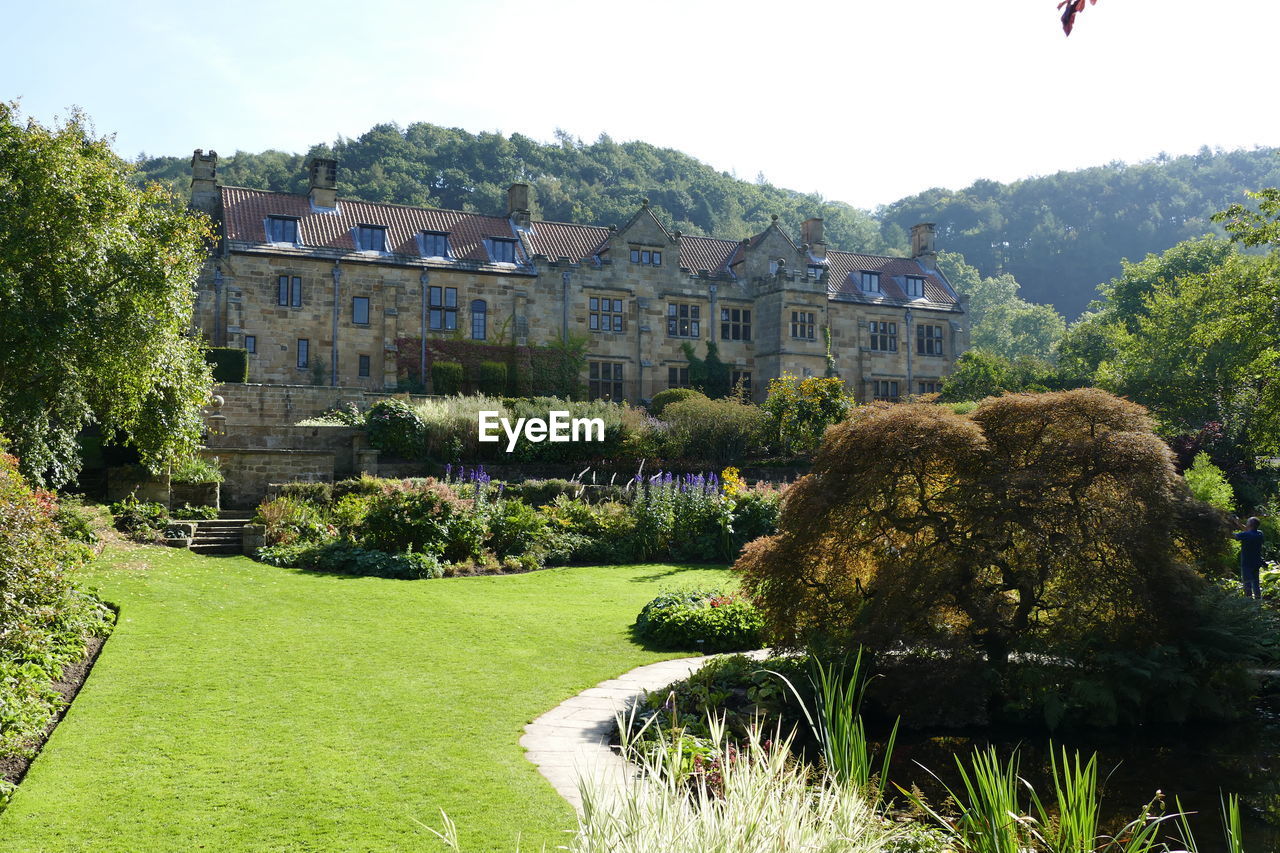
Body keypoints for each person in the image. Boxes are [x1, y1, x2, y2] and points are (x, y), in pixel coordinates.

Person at [1231, 516, 1265, 600]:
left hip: (1247, 564)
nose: (1246, 523)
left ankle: (1248, 602)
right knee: (1256, 584)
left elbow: (1234, 536)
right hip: (1257, 563)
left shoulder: (1246, 534)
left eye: (1247, 522)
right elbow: (1248, 531)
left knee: (1247, 584)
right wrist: (1238, 523)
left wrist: (1223, 527)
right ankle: (1258, 602)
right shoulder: (1260, 533)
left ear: (1250, 524)